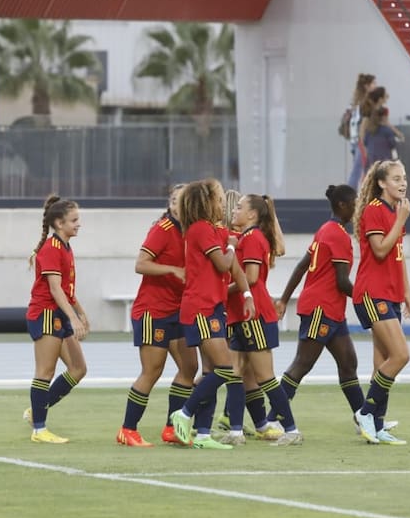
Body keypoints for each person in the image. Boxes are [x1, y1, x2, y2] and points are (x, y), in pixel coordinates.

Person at [273, 185, 376, 434]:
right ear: (343, 205)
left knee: (348, 362)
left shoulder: (326, 230)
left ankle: (363, 418)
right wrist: (367, 299)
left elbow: (301, 266)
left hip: (332, 309)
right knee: (302, 364)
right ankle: (273, 417)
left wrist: (285, 299)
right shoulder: (337, 235)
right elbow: (342, 281)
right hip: (321, 307)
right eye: (355, 202)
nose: (357, 207)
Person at [168, 179, 256, 449]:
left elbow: (236, 269)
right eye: (218, 199)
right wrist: (231, 244)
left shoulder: (214, 230)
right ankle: (183, 413)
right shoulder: (200, 230)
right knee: (226, 368)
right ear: (206, 203)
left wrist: (247, 295)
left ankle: (204, 434)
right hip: (201, 308)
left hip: (213, 307)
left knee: (210, 371)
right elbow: (223, 263)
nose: (222, 204)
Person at [117, 185, 199, 447]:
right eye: (174, 200)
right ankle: (128, 429)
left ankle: (171, 428)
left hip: (179, 310)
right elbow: (140, 264)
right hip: (154, 311)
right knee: (152, 370)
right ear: (170, 204)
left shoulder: (194, 230)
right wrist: (172, 270)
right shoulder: (162, 229)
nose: (178, 205)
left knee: (190, 368)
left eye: (183, 200)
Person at [220, 193, 303, 447]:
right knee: (234, 373)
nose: (235, 210)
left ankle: (291, 430)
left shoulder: (253, 238)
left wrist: (220, 290)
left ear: (253, 215)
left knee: (265, 376)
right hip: (241, 315)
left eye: (240, 207)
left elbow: (252, 277)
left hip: (254, 314)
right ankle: (235, 431)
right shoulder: (245, 237)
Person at [352, 160, 410, 446]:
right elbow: (379, 250)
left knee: (382, 363)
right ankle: (365, 413)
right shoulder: (374, 211)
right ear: (381, 183)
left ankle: (376, 426)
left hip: (390, 294)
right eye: (396, 179)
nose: (402, 183)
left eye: (404, 178)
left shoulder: (395, 210)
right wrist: (401, 221)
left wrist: (407, 293)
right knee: (401, 355)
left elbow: (397, 255)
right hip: (371, 293)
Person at [24, 195, 90, 444]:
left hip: (59, 315)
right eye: (74, 220)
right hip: (46, 315)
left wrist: (81, 313)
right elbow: (54, 289)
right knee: (45, 372)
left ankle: (36, 410)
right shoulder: (51, 248)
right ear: (59, 223)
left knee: (78, 369)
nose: (78, 224)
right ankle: (39, 429)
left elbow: (66, 289)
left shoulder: (65, 247)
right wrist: (73, 318)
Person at [344, 73, 377, 189]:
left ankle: (357, 195)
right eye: (373, 83)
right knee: (359, 169)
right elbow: (364, 122)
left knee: (359, 168)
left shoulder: (355, 101)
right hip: (361, 139)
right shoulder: (366, 102)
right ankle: (350, 196)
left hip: (354, 138)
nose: (375, 86)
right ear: (366, 86)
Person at [359, 87, 403, 166]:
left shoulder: (383, 110)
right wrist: (364, 148)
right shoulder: (369, 111)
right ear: (380, 99)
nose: (387, 96)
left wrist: (397, 132)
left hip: (373, 144)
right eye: (385, 95)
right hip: (368, 143)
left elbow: (387, 123)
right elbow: (362, 129)